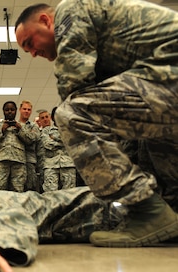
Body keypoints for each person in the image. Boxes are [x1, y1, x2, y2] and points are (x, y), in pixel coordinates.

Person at [15, 1, 178, 247]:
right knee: (148, 143)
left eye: (29, 43)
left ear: (46, 21)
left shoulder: (70, 9)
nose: (33, 54)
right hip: (165, 86)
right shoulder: (107, 49)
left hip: (169, 74)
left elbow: (74, 80)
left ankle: (147, 211)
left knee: (72, 113)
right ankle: (169, 216)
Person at [0, 101, 32, 192]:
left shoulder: (22, 126)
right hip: (0, 160)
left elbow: (30, 140)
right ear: (3, 111)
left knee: (18, 189)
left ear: (16, 111)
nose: (10, 112)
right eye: (7, 110)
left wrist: (20, 129)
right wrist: (2, 130)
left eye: (12, 110)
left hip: (18, 162)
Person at [18, 100, 41, 191]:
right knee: (17, 187)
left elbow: (31, 139)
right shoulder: (13, 124)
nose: (26, 111)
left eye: (29, 109)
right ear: (20, 110)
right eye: (24, 109)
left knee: (30, 187)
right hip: (17, 160)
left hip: (29, 161)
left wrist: (20, 130)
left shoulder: (34, 126)